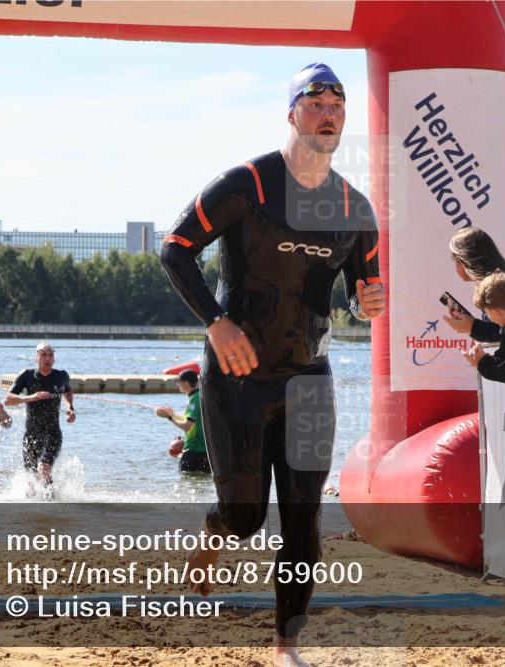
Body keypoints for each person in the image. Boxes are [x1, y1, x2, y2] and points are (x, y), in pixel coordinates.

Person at [159, 62, 385, 667]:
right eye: (315, 99)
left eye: (338, 101)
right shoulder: (246, 185)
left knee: (305, 520)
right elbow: (175, 249)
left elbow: (368, 295)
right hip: (238, 375)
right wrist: (216, 321)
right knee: (242, 517)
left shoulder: (355, 209)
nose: (329, 109)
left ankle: (287, 644)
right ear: (292, 113)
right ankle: (212, 539)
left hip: (310, 377)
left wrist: (370, 304)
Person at [444, 227, 505, 342]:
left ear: (465, 260)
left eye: (455, 260)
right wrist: (470, 325)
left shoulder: (495, 285)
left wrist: (473, 327)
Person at [5, 341, 75, 490]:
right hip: (31, 434)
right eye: (43, 355)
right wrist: (30, 397)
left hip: (53, 433)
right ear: (36, 358)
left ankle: (50, 502)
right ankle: (37, 509)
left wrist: (70, 408)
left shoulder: (61, 376)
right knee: (30, 480)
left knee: (43, 469)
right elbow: (8, 400)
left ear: (54, 359)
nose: (47, 358)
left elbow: (68, 391)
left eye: (50, 355)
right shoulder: (27, 375)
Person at [155, 369, 210, 474]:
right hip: (206, 452)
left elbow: (187, 426)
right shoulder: (201, 396)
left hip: (194, 450)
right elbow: (193, 419)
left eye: (179, 382)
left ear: (186, 383)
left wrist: (170, 417)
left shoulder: (194, 400)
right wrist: (172, 413)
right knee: (202, 484)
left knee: (186, 482)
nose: (177, 384)